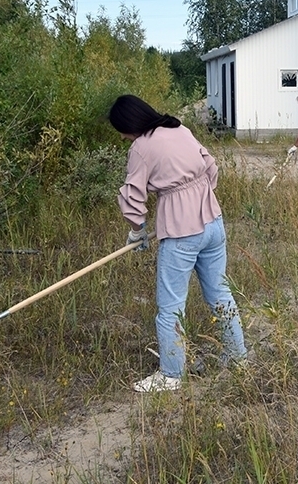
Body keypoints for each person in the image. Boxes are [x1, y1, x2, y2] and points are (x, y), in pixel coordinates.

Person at [108, 94, 247, 393]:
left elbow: (133, 199)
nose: (121, 137)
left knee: (170, 305)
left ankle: (171, 374)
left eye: (120, 131)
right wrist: (197, 196)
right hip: (213, 221)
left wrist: (137, 230)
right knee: (220, 294)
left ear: (128, 124)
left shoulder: (140, 148)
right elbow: (211, 167)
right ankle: (238, 358)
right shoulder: (179, 128)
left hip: (181, 230)